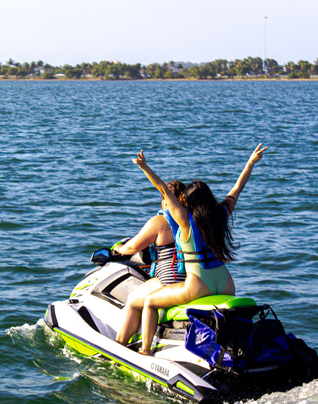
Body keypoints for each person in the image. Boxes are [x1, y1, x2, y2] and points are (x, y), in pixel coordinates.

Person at [126, 143, 267, 355]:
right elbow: (237, 188)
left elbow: (163, 189)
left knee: (150, 302)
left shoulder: (184, 220)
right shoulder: (221, 214)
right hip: (227, 283)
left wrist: (144, 167)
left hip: (199, 284)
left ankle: (145, 351)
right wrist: (250, 163)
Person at [113, 180, 187, 346]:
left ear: (164, 200)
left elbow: (133, 247)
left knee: (132, 300)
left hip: (169, 280)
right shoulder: (189, 219)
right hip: (191, 279)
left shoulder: (160, 221)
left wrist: (119, 249)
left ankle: (120, 345)